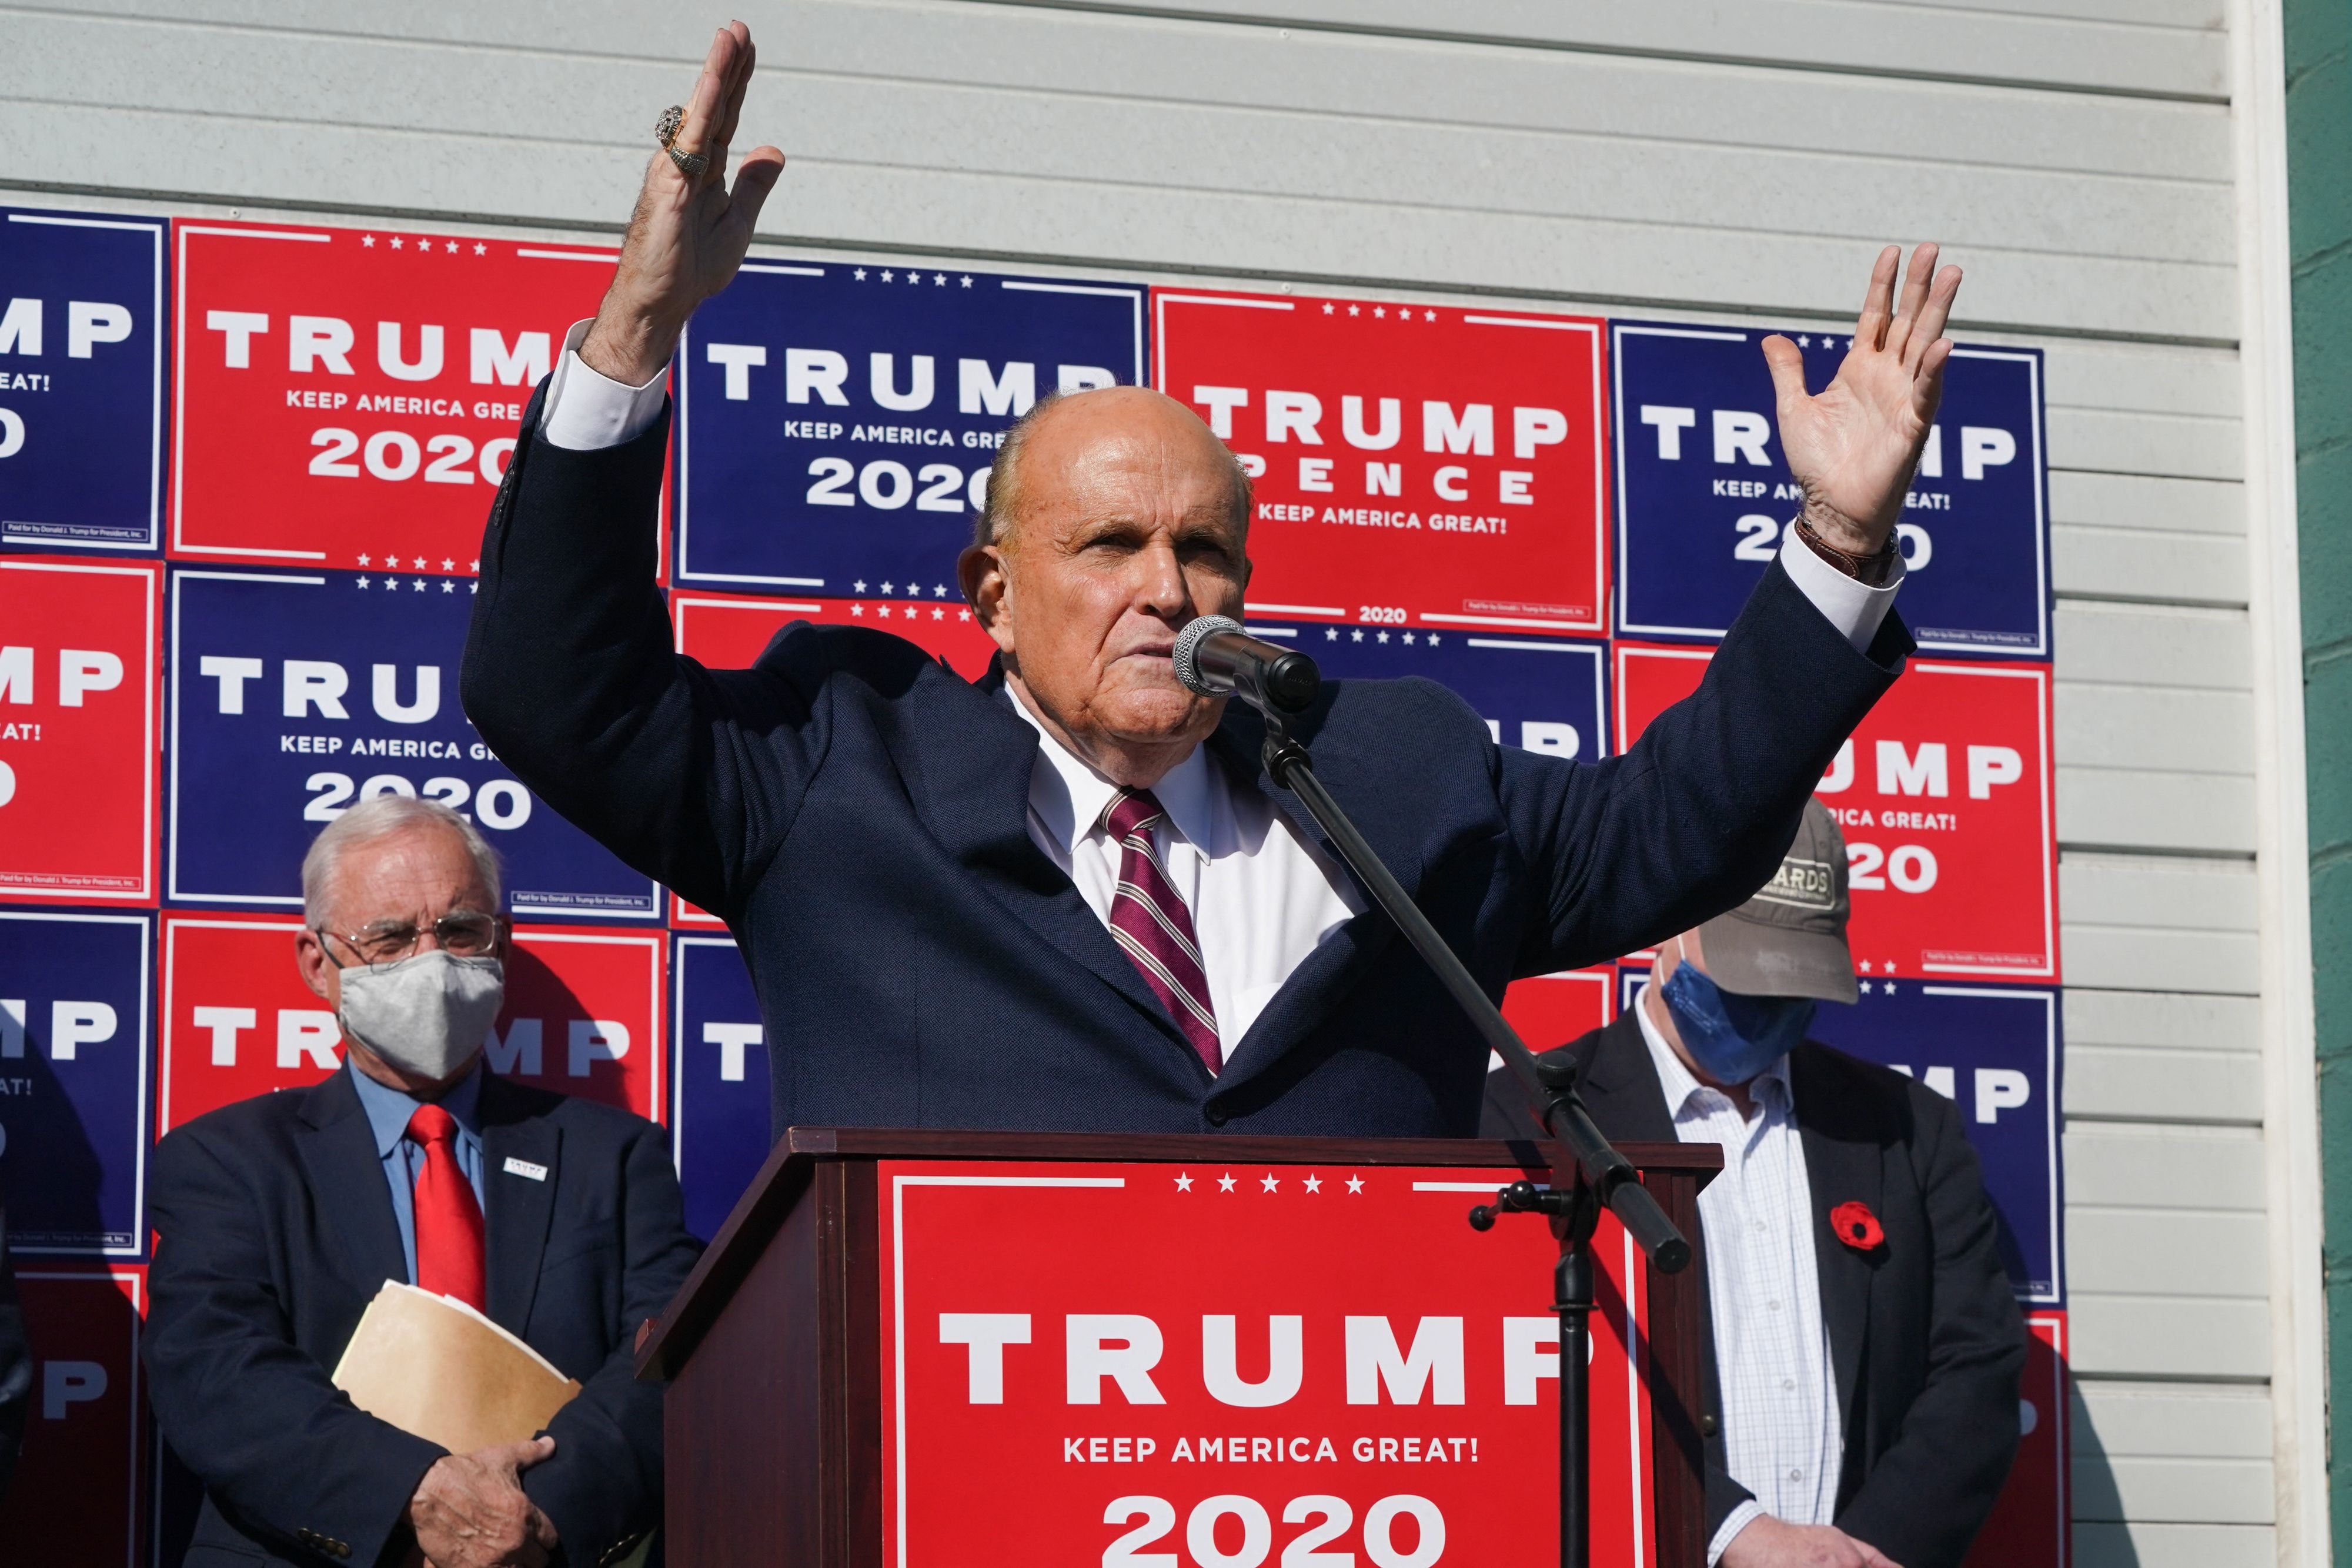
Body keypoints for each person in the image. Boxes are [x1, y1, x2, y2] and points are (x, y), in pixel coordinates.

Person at [462, 23, 1959, 1138]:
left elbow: (1672, 833)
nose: (1169, 589)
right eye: (1108, 546)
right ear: (989, 587)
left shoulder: (1399, 771)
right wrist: (635, 332)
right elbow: (554, 690)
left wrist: (1831, 545)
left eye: (1204, 549)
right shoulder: (834, 765)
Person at [144, 798, 698, 1568]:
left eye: (461, 931)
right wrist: (420, 1495)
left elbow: (661, 1371)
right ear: (318, 963)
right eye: (391, 936)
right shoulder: (224, 1162)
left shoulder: (615, 1157)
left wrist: (528, 1520)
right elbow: (217, 1374)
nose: (431, 962)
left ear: (498, 948)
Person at [1484, 801, 2027, 1568]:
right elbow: (1511, 1381)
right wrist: (1729, 1530)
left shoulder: (1906, 1127)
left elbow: (1976, 1368)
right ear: (1669, 926)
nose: (1767, 1001)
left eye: (1793, 979)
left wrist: (1864, 1554)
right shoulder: (1526, 1121)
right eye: (1746, 972)